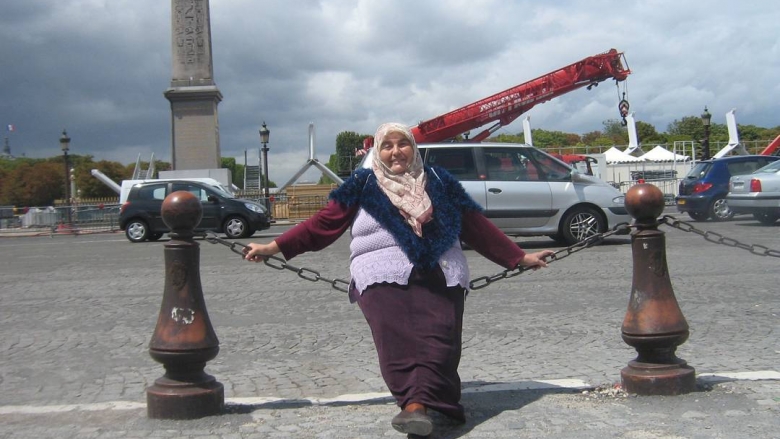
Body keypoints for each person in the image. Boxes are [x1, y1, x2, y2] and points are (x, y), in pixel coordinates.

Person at [244, 122, 554, 437]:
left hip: (440, 270)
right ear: (377, 152)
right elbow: (324, 223)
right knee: (397, 343)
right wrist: (274, 246)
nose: (396, 152)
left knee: (440, 341)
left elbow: (473, 223)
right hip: (381, 273)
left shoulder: (438, 180)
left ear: (413, 148)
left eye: (402, 144)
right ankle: (414, 407)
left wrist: (518, 257)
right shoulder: (362, 183)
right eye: (387, 146)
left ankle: (431, 402)